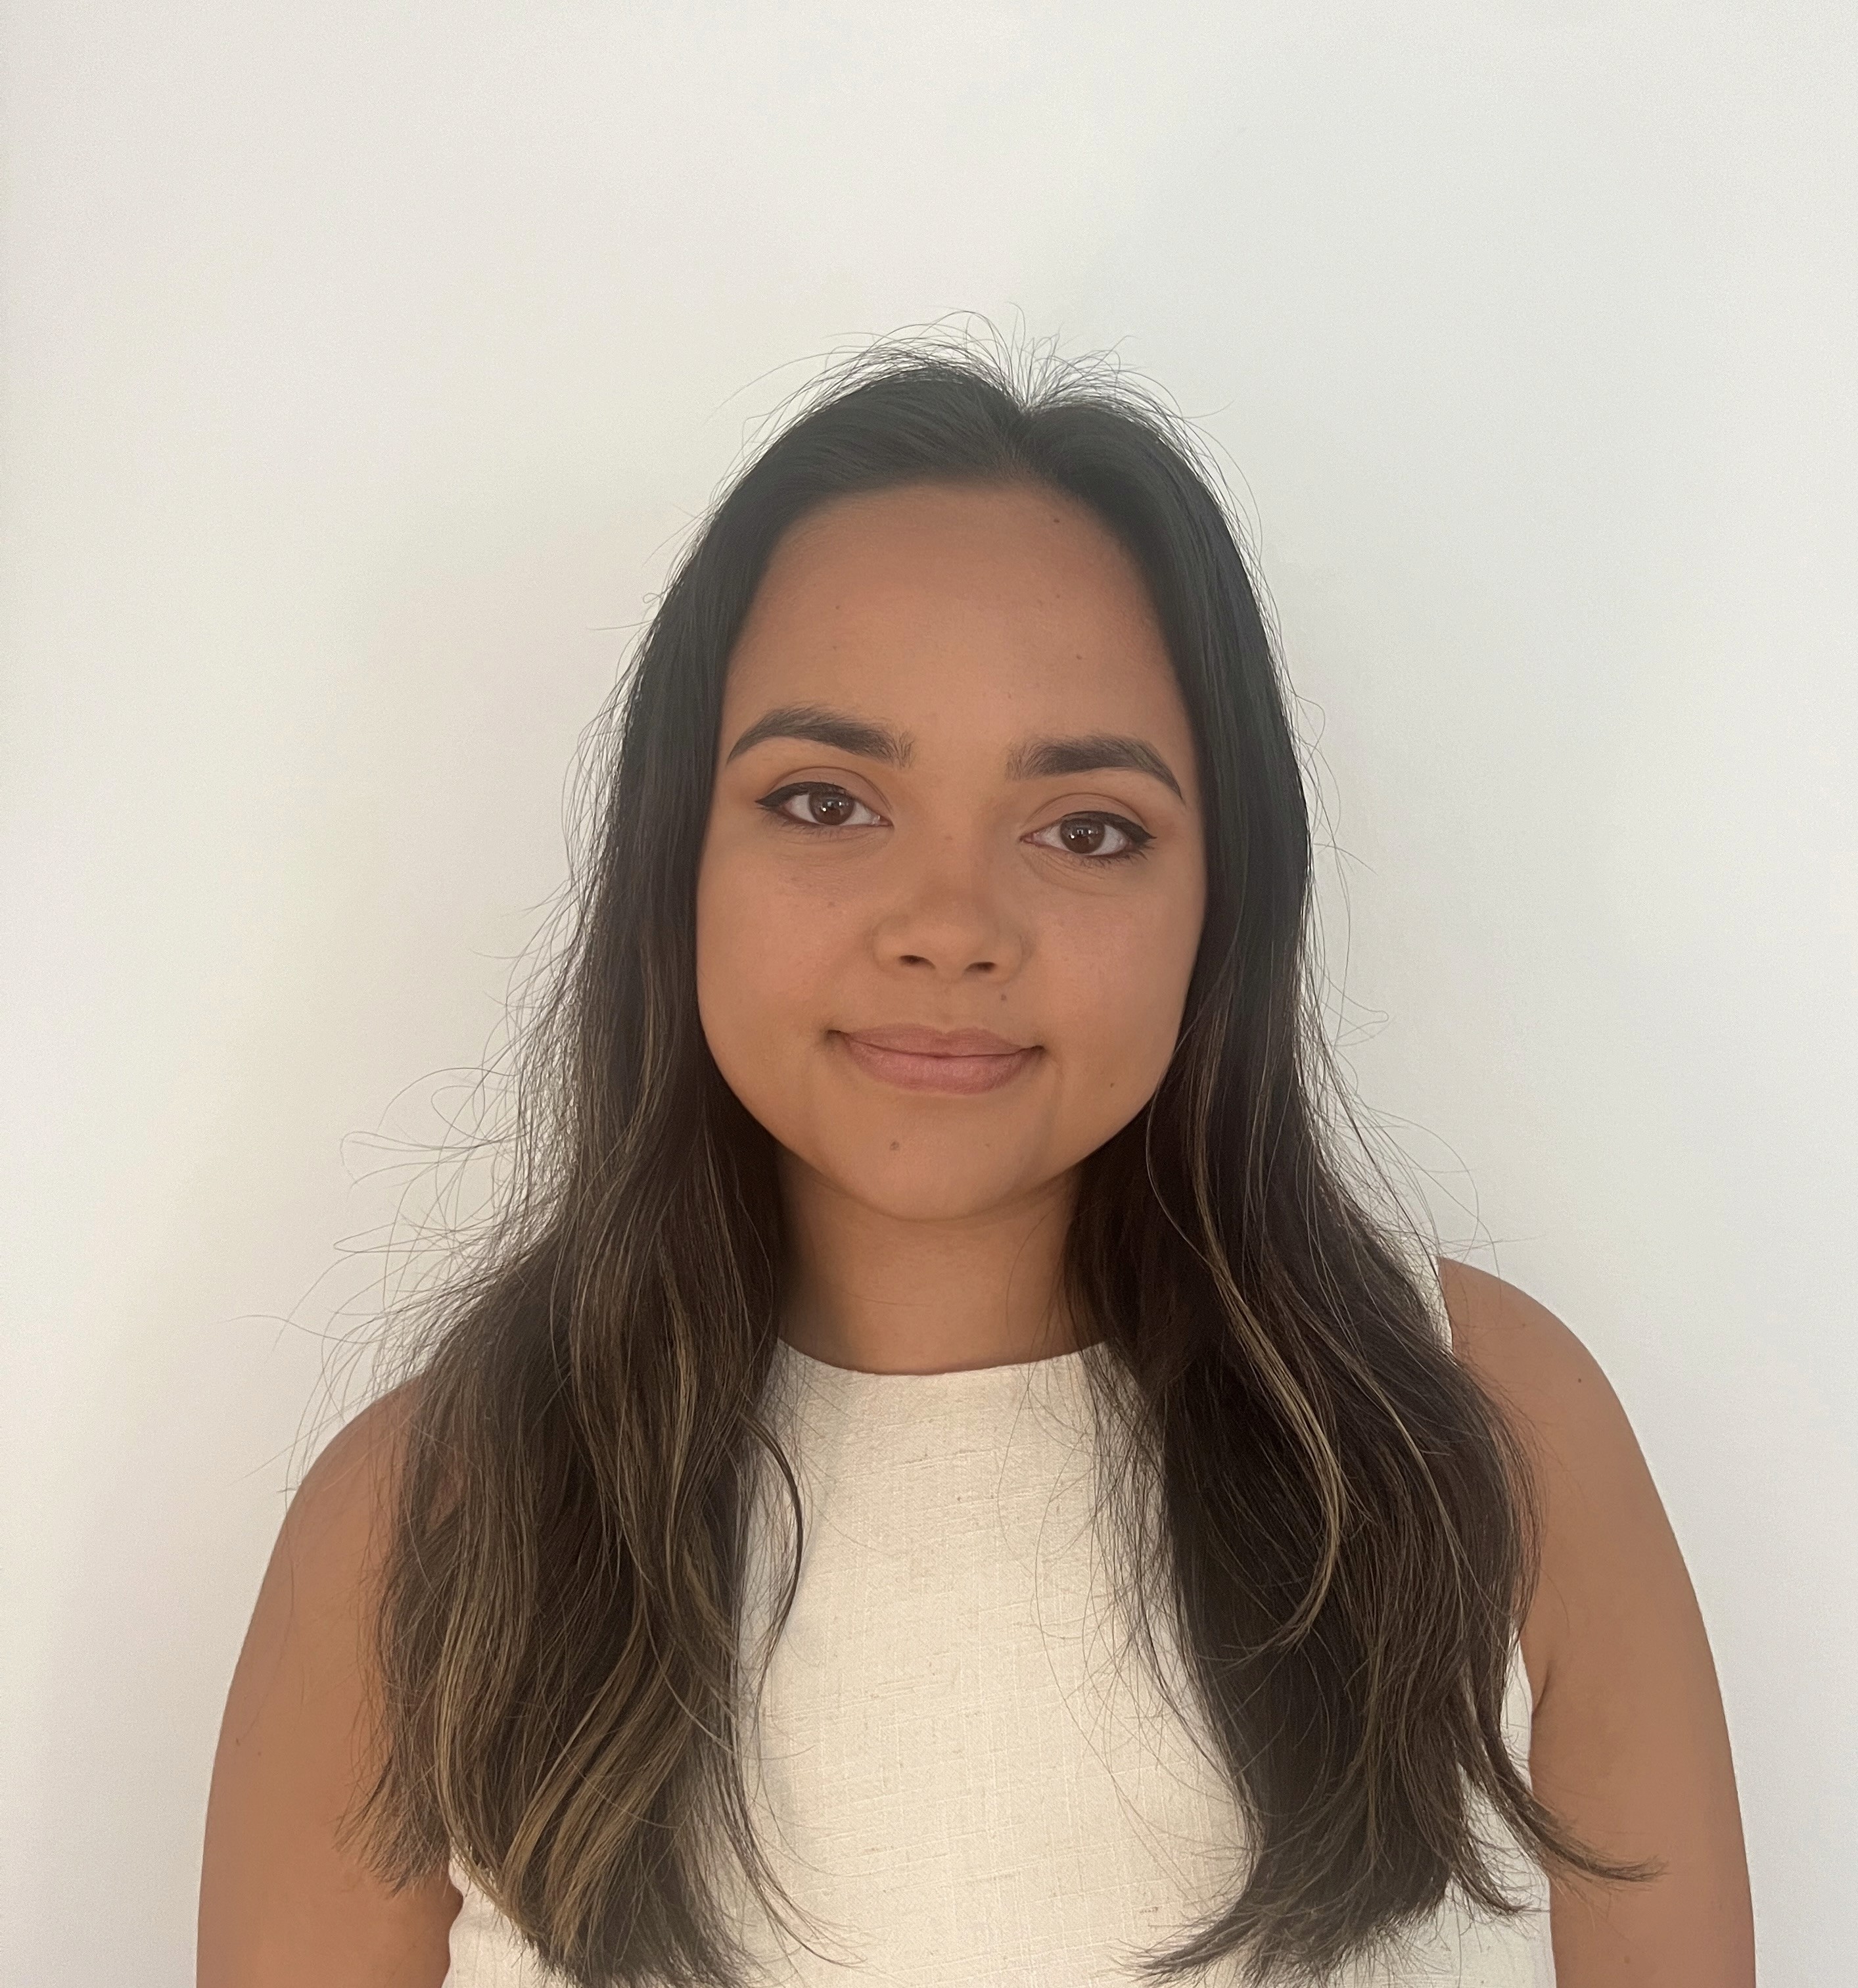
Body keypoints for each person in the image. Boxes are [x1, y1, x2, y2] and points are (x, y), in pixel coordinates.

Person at [198, 343, 1754, 1986]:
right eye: (826, 802)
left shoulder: (1481, 1440)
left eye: (1085, 828)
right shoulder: (430, 1526)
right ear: (675, 857)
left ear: (1223, 903)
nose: (949, 927)